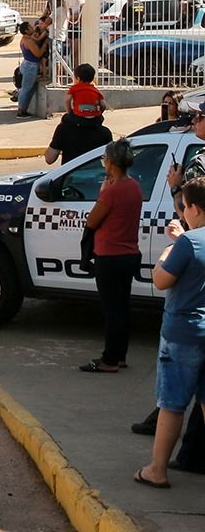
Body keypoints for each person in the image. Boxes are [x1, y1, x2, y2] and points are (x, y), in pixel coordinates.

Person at [134, 177, 205, 488]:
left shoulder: (189, 242)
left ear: (197, 210)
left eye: (186, 206)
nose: (184, 212)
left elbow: (161, 279)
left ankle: (156, 470)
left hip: (183, 332)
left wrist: (172, 246)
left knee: (172, 404)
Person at [79, 138, 143, 373]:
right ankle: (120, 355)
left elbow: (92, 220)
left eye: (105, 159)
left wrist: (101, 194)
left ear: (112, 163)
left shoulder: (112, 192)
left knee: (111, 310)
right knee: (122, 308)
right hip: (128, 255)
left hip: (110, 256)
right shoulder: (134, 187)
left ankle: (109, 359)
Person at [45, 111, 113, 166]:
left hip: (71, 179)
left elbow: (49, 159)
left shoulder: (63, 129)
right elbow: (112, 163)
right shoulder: (105, 132)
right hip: (97, 179)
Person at [16, 22, 47, 118]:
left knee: (27, 88)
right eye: (30, 27)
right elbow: (38, 54)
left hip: (27, 65)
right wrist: (45, 45)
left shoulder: (26, 39)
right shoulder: (28, 41)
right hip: (31, 66)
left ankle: (23, 108)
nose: (33, 27)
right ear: (26, 30)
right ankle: (21, 110)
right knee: (26, 89)